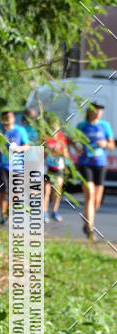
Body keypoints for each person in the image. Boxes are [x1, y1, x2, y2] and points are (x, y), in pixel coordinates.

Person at [74, 102, 115, 240]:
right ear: (90, 111)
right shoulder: (82, 126)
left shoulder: (105, 126)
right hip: (85, 163)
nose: (98, 113)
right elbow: (73, 140)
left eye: (100, 111)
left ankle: (87, 220)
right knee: (90, 194)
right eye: (96, 110)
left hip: (100, 164)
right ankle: (90, 229)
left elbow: (112, 145)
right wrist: (77, 147)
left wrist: (105, 144)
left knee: (97, 200)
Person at [0, 110, 30, 224]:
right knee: (3, 191)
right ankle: (3, 215)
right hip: (2, 165)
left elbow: (26, 146)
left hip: (17, 166)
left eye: (10, 117)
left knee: (16, 193)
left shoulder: (20, 130)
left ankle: (9, 210)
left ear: (13, 118)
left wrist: (18, 149)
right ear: (2, 119)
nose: (8, 119)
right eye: (5, 117)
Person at [43, 120, 69, 222]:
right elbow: (41, 153)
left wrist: (60, 152)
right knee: (46, 191)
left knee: (57, 191)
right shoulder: (45, 137)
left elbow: (66, 154)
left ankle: (54, 211)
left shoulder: (61, 137)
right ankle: (44, 212)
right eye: (51, 126)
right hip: (47, 167)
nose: (53, 129)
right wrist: (49, 152)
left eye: (55, 127)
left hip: (58, 167)